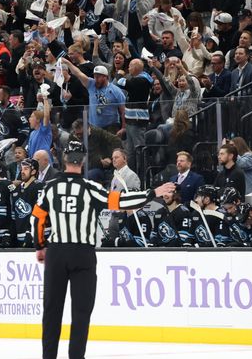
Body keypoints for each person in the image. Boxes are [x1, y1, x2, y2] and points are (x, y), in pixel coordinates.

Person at [31, 141, 174, 359]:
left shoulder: (50, 187)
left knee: (51, 311)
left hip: (57, 253)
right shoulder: (91, 188)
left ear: (64, 160)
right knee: (81, 312)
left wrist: (40, 246)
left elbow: (37, 218)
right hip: (83, 255)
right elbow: (123, 202)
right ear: (84, 160)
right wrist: (152, 192)